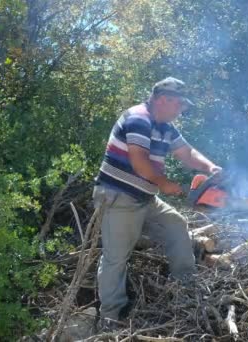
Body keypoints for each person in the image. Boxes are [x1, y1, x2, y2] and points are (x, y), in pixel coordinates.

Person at [92, 77, 222, 325]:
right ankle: (110, 318)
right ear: (164, 100)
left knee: (175, 224)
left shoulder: (166, 127)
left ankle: (186, 289)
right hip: (119, 197)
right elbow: (139, 162)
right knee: (116, 257)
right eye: (179, 105)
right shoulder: (138, 118)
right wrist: (165, 184)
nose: (181, 111)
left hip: (144, 197)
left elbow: (188, 153)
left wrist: (210, 167)